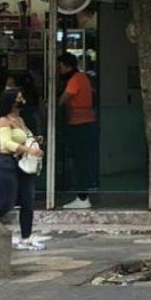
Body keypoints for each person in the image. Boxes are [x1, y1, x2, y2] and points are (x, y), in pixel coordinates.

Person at [0, 88, 44, 250]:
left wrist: (34, 141)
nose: (21, 102)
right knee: (7, 203)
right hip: (6, 163)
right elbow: (6, 143)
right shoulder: (3, 121)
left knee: (28, 202)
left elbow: (24, 137)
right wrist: (28, 150)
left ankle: (26, 237)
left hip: (23, 164)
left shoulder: (20, 120)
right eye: (18, 98)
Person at [57, 53, 97, 209]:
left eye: (60, 67)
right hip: (86, 121)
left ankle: (82, 196)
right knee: (83, 159)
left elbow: (62, 100)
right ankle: (83, 194)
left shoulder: (75, 80)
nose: (59, 70)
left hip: (79, 123)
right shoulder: (84, 78)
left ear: (67, 66)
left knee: (80, 160)